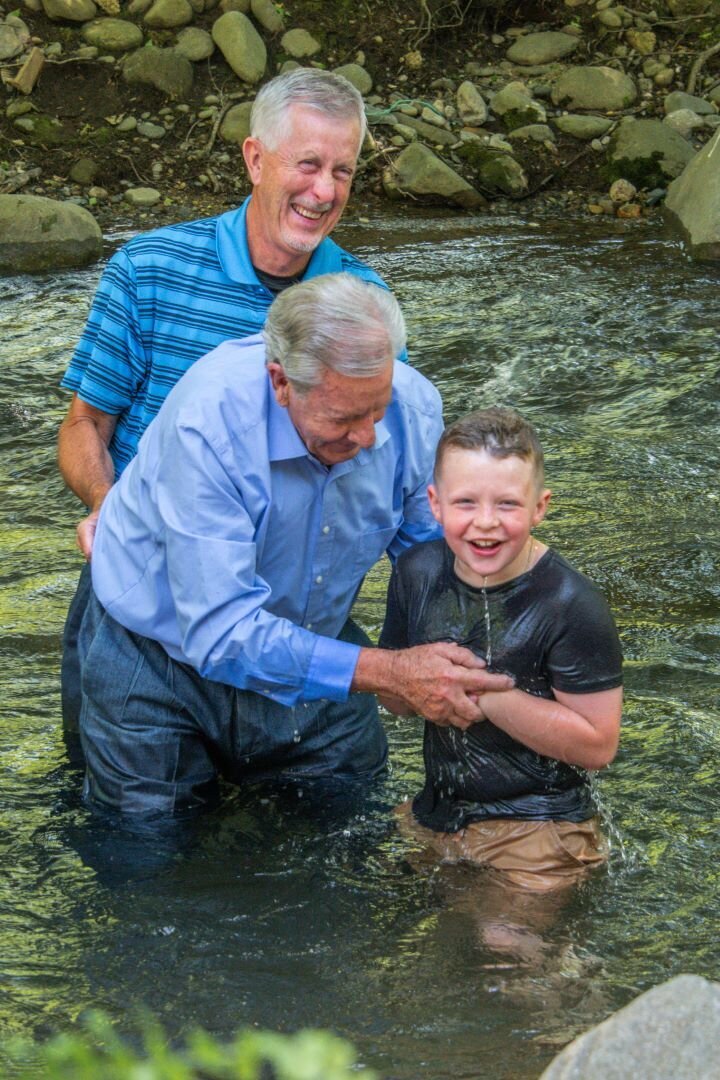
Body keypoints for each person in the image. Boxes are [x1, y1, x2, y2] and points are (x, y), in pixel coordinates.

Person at [77, 275, 513, 817]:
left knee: (353, 825)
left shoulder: (413, 405)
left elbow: (425, 553)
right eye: (344, 420)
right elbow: (221, 632)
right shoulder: (208, 425)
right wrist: (391, 671)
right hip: (156, 654)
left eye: (376, 409)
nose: (369, 439)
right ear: (280, 382)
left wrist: (434, 648)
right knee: (148, 851)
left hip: (310, 633)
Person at [57, 67, 403, 742]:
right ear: (254, 158)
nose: (324, 191)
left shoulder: (364, 303)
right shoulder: (149, 269)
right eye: (307, 164)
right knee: (108, 813)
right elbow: (85, 425)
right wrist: (106, 502)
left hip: (287, 611)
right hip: (140, 596)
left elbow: (382, 458)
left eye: (344, 170)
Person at [379, 406, 623, 895]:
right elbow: (394, 696)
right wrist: (413, 684)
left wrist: (481, 695)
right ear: (435, 503)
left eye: (508, 505)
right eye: (466, 502)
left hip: (541, 823)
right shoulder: (416, 571)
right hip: (439, 811)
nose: (485, 524)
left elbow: (598, 745)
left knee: (503, 954)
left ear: (540, 506)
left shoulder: (571, 603)